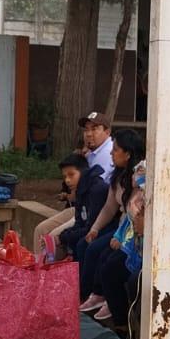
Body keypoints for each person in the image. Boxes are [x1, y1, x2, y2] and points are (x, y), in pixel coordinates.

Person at [79, 128, 143, 312]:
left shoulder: (139, 179)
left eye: (115, 150)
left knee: (105, 257)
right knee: (88, 246)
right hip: (122, 227)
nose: (111, 153)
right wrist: (95, 228)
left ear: (128, 154)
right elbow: (109, 207)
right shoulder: (118, 176)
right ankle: (88, 294)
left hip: (130, 231)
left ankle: (106, 299)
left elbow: (134, 214)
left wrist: (121, 238)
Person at [53, 153, 108, 257]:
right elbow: (79, 222)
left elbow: (91, 227)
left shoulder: (97, 190)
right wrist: (62, 236)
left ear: (83, 172)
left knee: (81, 245)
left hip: (102, 233)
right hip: (89, 232)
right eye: (65, 176)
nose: (67, 180)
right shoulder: (80, 190)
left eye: (71, 175)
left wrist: (62, 237)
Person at [80, 110, 115, 182]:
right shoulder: (96, 150)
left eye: (94, 129)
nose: (88, 134)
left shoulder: (107, 152)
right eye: (86, 129)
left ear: (107, 132)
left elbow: (93, 187)